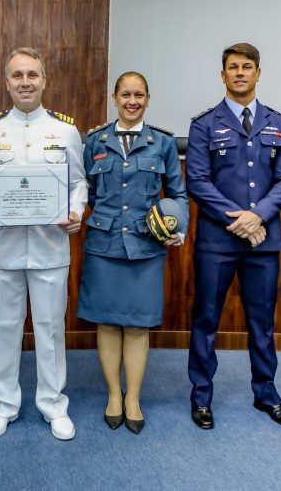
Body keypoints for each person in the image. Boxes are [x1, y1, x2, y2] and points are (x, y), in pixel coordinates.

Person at [0, 47, 87, 440]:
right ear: (6, 83)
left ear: (44, 81)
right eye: (17, 75)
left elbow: (78, 182)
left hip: (51, 247)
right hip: (5, 249)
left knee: (51, 329)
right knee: (5, 327)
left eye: (32, 75)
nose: (25, 82)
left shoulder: (65, 131)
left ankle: (53, 404)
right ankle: (4, 405)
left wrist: (76, 211)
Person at [185, 43, 281, 430]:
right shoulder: (203, 124)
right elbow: (197, 182)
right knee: (206, 320)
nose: (240, 73)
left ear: (258, 73)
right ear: (222, 75)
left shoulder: (278, 122)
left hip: (263, 242)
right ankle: (201, 396)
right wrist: (240, 220)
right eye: (232, 67)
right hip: (217, 242)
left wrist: (258, 216)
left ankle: (266, 393)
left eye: (247, 67)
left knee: (262, 322)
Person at [77, 71, 187, 434]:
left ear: (148, 98)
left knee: (138, 326)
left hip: (146, 246)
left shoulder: (163, 143)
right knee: (107, 323)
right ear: (114, 97)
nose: (132, 101)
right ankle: (113, 394)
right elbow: (85, 191)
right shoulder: (94, 141)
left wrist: (177, 226)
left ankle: (133, 398)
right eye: (126, 94)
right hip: (104, 246)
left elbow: (177, 194)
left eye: (139, 94)